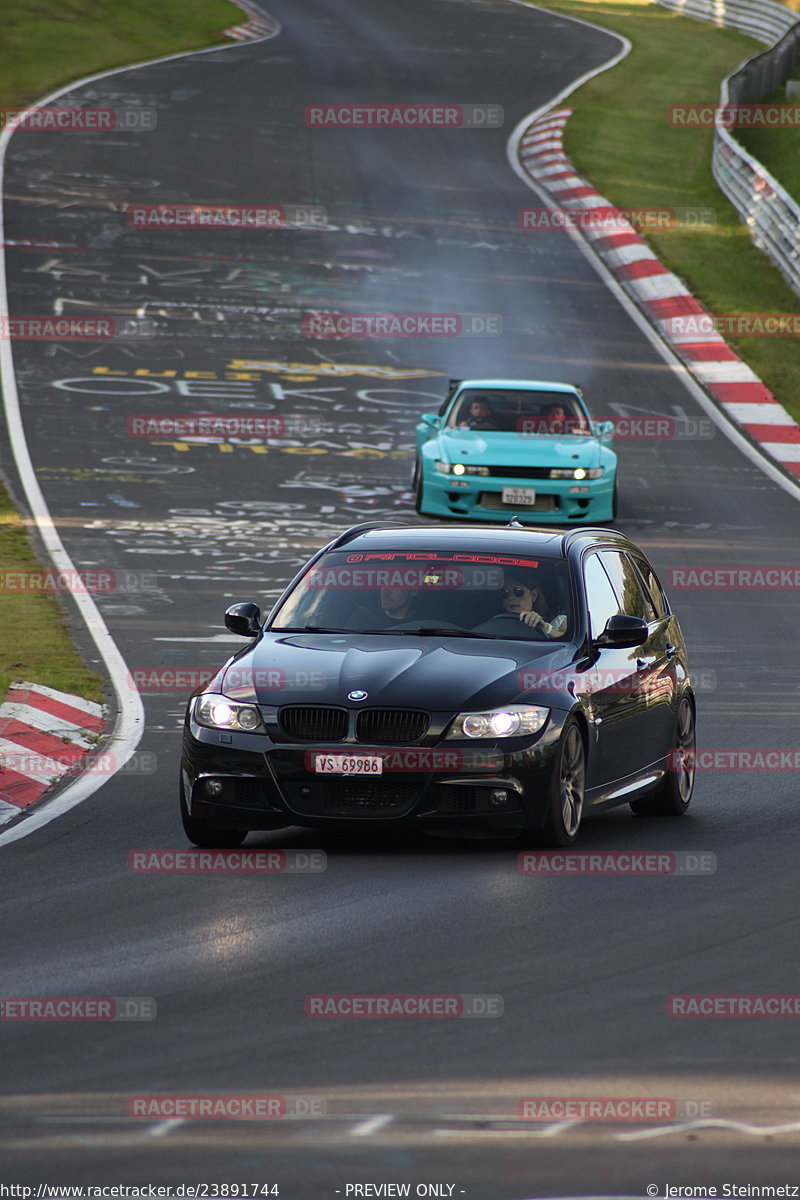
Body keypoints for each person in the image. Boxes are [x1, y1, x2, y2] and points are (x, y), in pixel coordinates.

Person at [497, 572, 567, 637]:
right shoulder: (495, 625)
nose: (511, 597)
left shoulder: (558, 621)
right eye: (504, 593)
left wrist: (544, 627)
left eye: (518, 591)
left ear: (534, 595)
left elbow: (570, 642)